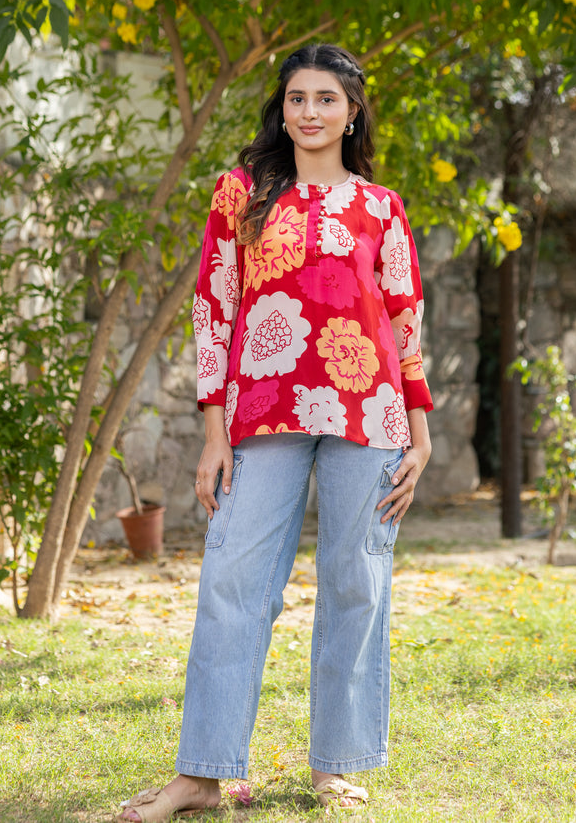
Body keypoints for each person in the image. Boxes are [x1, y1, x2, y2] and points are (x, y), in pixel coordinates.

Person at [117, 43, 433, 821]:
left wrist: (419, 435)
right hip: (263, 414)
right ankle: (201, 774)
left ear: (353, 110)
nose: (311, 112)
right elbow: (214, 311)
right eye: (297, 98)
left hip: (371, 416)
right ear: (281, 109)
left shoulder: (381, 207)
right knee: (231, 579)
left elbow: (403, 324)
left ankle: (338, 767)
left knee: (357, 584)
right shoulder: (242, 194)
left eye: (327, 98)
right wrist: (214, 431)